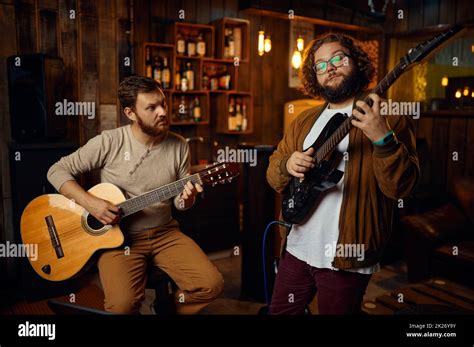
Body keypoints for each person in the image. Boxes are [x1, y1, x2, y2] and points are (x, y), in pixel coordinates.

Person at [266, 33, 420, 314]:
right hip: (297, 245)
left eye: (338, 58)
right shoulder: (304, 120)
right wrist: (287, 164)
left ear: (357, 62)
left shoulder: (389, 117)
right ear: (315, 76)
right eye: (321, 65)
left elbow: (401, 188)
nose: (330, 68)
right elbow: (274, 173)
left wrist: (381, 137)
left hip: (347, 254)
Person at [47, 76, 224, 314]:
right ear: (131, 113)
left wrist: (187, 198)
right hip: (117, 238)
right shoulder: (109, 142)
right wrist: (91, 204)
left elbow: (180, 202)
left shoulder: (179, 145)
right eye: (151, 107)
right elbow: (56, 170)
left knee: (212, 285)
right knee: (121, 306)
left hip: (165, 233)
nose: (162, 112)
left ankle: (165, 308)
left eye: (163, 103)